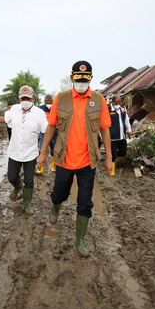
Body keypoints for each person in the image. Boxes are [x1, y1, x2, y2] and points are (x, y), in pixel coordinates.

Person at [37, 61, 112, 258]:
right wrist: (43, 153)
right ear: (71, 78)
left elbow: (105, 129)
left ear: (90, 79)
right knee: (60, 191)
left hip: (88, 161)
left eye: (84, 80)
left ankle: (80, 240)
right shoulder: (60, 98)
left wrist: (109, 158)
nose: (81, 83)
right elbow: (51, 126)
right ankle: (56, 205)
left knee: (85, 201)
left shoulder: (99, 100)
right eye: (77, 79)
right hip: (64, 159)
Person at [0, 85, 47, 214]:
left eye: (28, 98)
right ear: (19, 98)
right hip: (14, 151)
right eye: (23, 98)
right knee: (12, 177)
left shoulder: (40, 113)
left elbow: (47, 131)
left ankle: (27, 204)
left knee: (29, 181)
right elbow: (6, 120)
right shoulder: (14, 110)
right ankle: (17, 187)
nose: (25, 101)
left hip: (31, 153)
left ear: (33, 98)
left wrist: (43, 152)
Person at [108, 95, 132, 176]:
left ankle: (116, 160)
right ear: (112, 102)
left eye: (120, 102)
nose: (119, 104)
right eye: (117, 103)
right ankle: (112, 171)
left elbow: (126, 119)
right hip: (112, 137)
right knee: (113, 154)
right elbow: (103, 123)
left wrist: (129, 130)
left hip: (122, 136)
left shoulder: (122, 108)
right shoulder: (108, 109)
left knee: (123, 152)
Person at [36, 94, 58, 174]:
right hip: (43, 133)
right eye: (47, 103)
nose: (49, 104)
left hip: (55, 133)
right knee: (42, 150)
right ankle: (40, 169)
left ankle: (53, 167)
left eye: (50, 103)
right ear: (45, 102)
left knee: (54, 150)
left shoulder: (57, 109)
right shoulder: (41, 109)